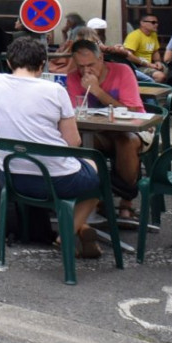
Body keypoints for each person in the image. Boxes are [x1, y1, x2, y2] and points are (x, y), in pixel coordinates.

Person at [0, 35, 103, 258]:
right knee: (96, 174)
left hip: (13, 178)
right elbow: (73, 142)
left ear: (9, 62)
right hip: (56, 180)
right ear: (42, 64)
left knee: (69, 175)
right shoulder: (55, 90)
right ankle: (67, 234)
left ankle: (78, 228)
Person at [63, 37, 147, 221]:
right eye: (80, 66)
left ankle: (127, 201)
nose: (86, 70)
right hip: (97, 131)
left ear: (101, 58)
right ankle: (96, 200)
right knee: (82, 144)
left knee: (127, 142)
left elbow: (133, 110)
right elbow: (74, 111)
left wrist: (98, 92)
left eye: (90, 64)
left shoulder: (122, 71)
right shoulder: (73, 78)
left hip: (131, 128)